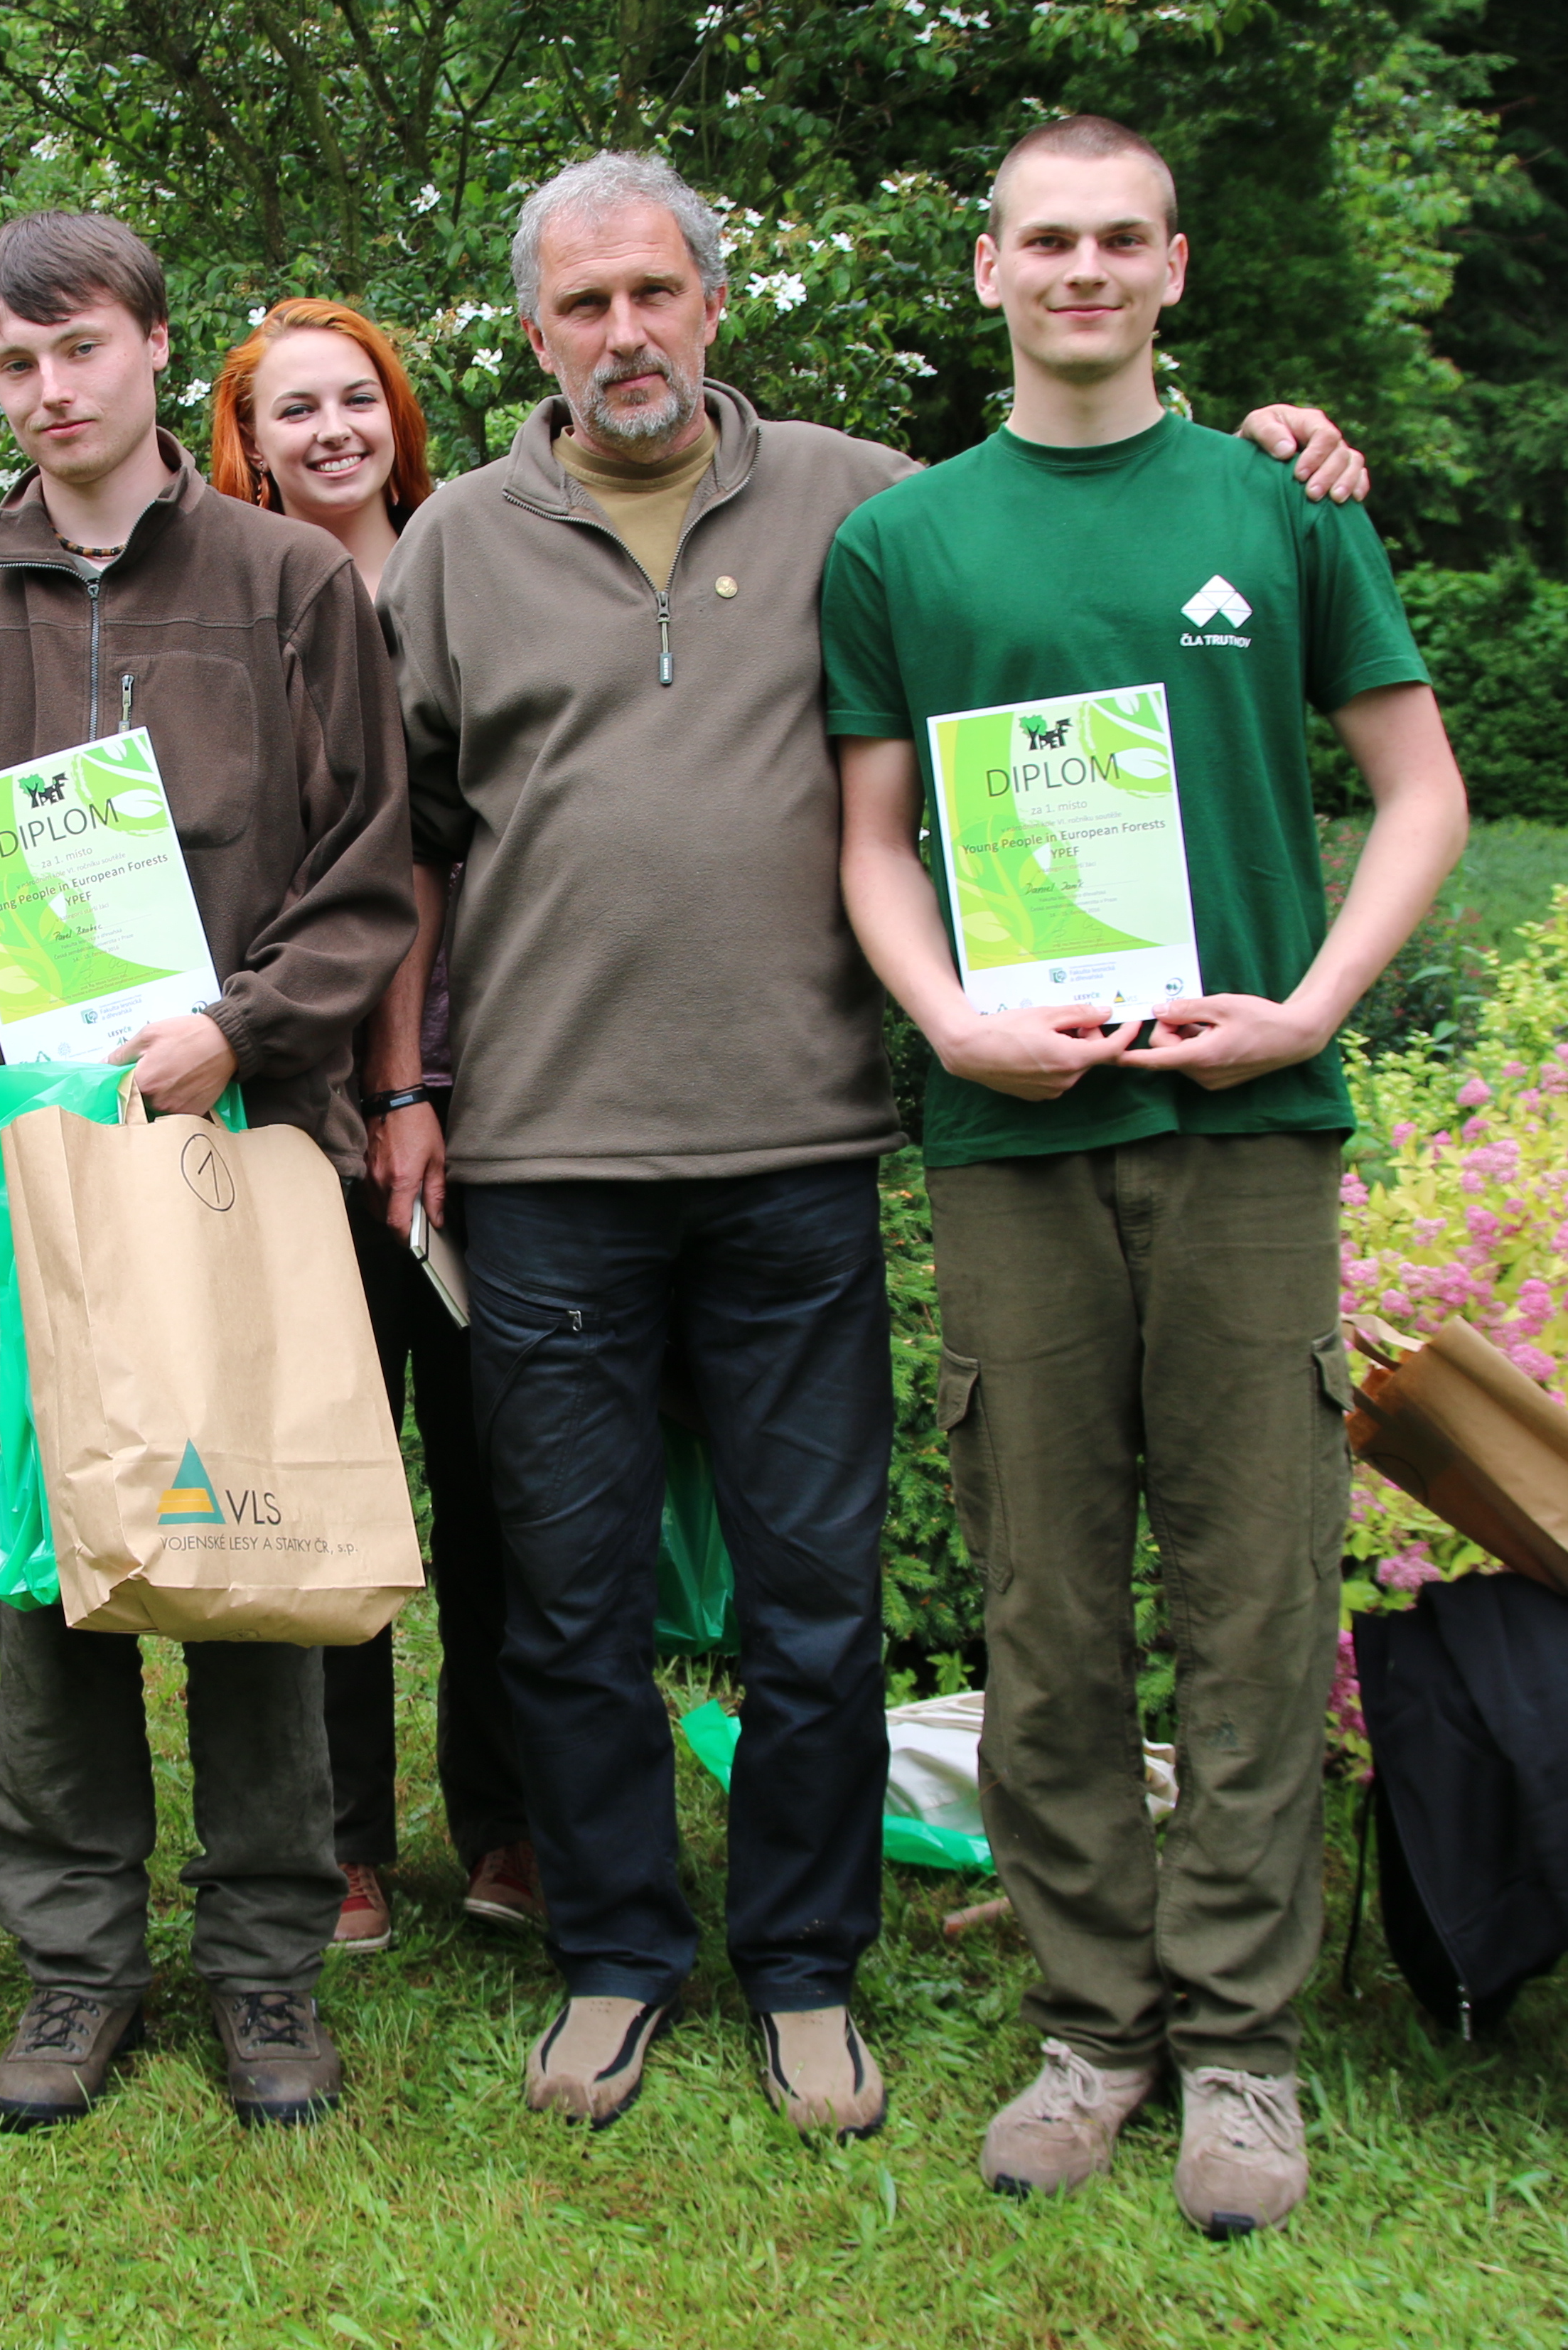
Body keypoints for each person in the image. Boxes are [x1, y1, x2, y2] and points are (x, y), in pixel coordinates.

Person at [373, 147, 1373, 2143]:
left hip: (800, 1146)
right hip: (547, 1155)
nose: (623, 333)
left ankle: (808, 1969)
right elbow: (408, 847)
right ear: (534, 331)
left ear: (712, 303)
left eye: (654, 291)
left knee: (813, 1601)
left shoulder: (863, 502)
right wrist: (404, 1087)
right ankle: (614, 1957)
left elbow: (1077, 489)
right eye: (581, 305)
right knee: (564, 1601)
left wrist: (1285, 439)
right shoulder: (456, 545)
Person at [827, 115, 1466, 2235]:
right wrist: (944, 1022)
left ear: (1172, 269)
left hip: (1247, 1131)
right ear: (988, 268)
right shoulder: (905, 541)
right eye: (1044, 241)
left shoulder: (1269, 505)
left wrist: (1312, 1007)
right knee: (1043, 1602)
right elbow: (865, 841)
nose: (1080, 270)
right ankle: (1091, 2029)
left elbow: (1416, 790)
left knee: (1256, 1595)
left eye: (1118, 240)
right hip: (1012, 1132)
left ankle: (1243, 2055)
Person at [0, 211, 415, 2131]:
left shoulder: (281, 586)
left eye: (76, 346)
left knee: (246, 1549)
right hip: (24, 1183)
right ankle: (75, 1962)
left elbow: (365, 872)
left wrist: (243, 1031)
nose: (47, 387)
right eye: (10, 363)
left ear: (159, 352)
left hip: (238, 1151)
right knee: (44, 1570)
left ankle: (264, 1966)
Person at [207, 301, 539, 1953]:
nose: (330, 431)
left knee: (498, 1477)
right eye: (294, 410)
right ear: (244, 440)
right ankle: (334, 1837)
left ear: (398, 418)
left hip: (509, 1087)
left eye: (358, 400)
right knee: (325, 1469)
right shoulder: (236, 603)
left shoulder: (482, 558)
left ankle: (506, 1822)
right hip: (297, 1103)